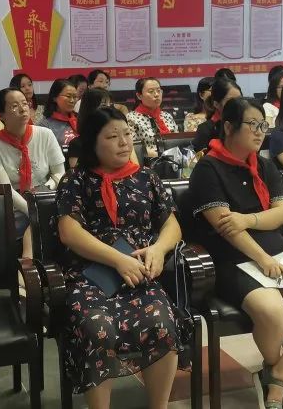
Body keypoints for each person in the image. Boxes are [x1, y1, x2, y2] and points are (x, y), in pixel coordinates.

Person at [188, 97, 283, 409]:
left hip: (276, 254)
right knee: (274, 313)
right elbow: (226, 228)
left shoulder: (264, 165)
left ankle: (278, 373)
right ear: (229, 127)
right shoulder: (207, 169)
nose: (260, 132)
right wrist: (261, 257)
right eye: (252, 125)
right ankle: (275, 369)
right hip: (232, 259)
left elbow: (281, 214)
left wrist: (248, 220)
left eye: (263, 125)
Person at [56, 106, 185, 409]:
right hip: (89, 277)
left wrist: (158, 249)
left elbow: (171, 224)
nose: (124, 142)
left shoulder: (147, 177)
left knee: (162, 323)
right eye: (113, 137)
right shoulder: (75, 180)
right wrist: (117, 259)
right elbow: (69, 232)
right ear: (92, 142)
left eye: (127, 134)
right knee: (96, 329)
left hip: (139, 275)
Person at [0, 88, 65, 258]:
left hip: (47, 197)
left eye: (24, 103)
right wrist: (34, 211)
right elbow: (6, 189)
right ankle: (30, 263)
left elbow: (59, 174)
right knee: (40, 222)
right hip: (17, 206)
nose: (23, 109)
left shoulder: (45, 134)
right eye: (14, 106)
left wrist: (43, 195)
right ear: (1, 115)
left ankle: (27, 262)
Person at [67, 88, 140, 169]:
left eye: (110, 104)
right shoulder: (78, 144)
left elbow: (136, 168)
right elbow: (77, 172)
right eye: (103, 105)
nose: (109, 109)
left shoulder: (125, 140)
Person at [126, 77, 179, 158]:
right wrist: (161, 155)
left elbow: (178, 140)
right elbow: (133, 147)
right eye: (151, 91)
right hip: (148, 161)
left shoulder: (167, 116)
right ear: (139, 96)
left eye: (158, 91)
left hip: (174, 159)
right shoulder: (131, 118)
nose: (156, 94)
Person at [191, 78, 243, 151]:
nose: (236, 104)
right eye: (230, 100)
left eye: (239, 99)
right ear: (216, 104)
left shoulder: (245, 125)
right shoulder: (205, 130)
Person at [38, 79, 80, 148]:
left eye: (75, 97)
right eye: (68, 96)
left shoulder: (80, 119)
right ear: (55, 98)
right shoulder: (45, 125)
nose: (72, 100)